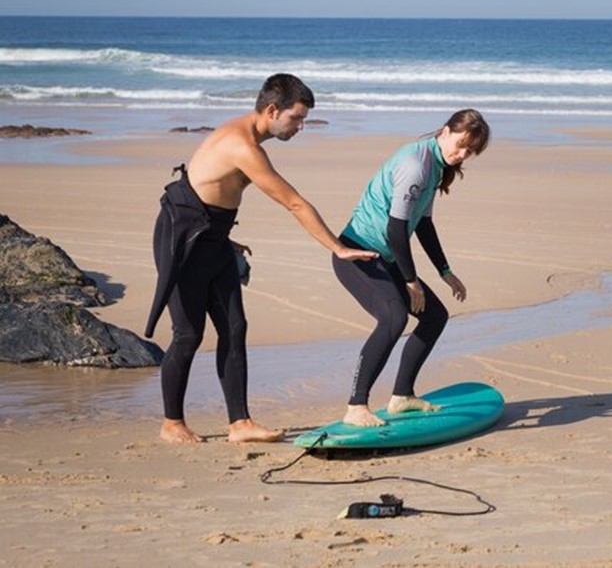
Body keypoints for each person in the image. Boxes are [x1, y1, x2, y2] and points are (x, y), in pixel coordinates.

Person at [147, 73, 375, 445]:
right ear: (272, 110)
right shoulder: (244, 147)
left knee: (234, 328)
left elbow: (207, 190)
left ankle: (240, 424)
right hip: (183, 244)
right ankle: (172, 422)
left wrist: (225, 237)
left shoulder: (245, 135)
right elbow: (294, 202)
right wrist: (337, 247)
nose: (301, 127)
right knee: (188, 334)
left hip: (212, 239)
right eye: (296, 118)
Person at [333, 109, 491, 426]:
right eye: (460, 145)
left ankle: (402, 396)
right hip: (357, 255)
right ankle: (356, 405)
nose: (461, 155)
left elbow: (423, 224)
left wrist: (445, 271)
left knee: (434, 317)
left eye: (469, 151)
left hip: (386, 256)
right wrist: (411, 280)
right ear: (445, 132)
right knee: (393, 318)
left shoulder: (435, 166)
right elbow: (395, 229)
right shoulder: (416, 165)